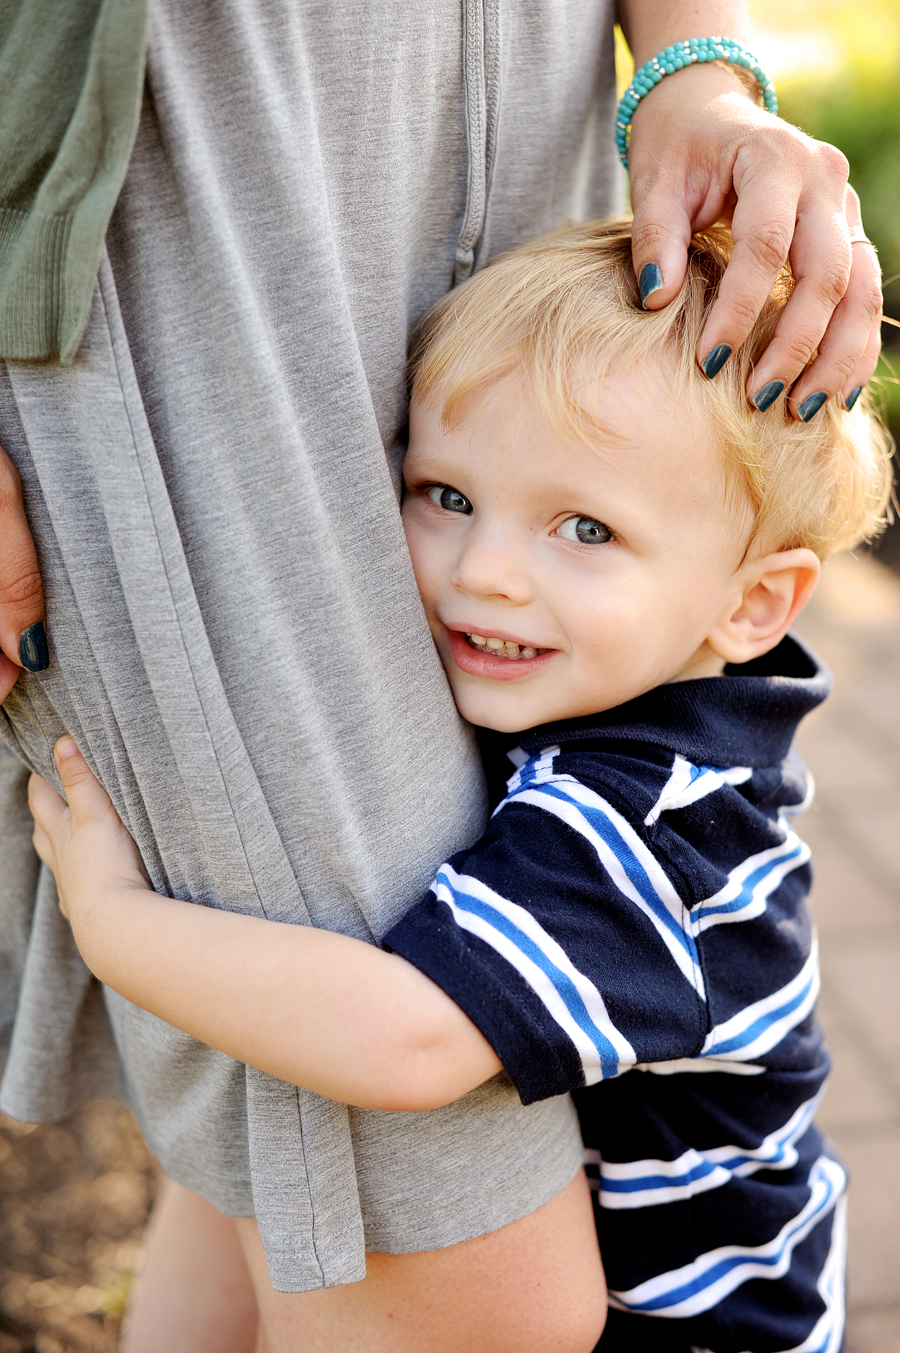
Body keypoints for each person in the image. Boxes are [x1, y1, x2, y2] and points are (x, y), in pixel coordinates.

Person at [0, 2, 885, 1348]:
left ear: (756, 602)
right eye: (445, 493)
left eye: (584, 530)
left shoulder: (650, 818)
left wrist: (121, 926)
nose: (487, 575)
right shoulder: (618, 682)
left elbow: (409, 1042)